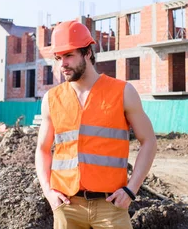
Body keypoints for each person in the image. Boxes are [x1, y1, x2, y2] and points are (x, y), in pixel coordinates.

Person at [35, 20, 157, 229]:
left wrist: (131, 190)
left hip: (111, 207)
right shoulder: (51, 99)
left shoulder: (122, 92)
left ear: (87, 53)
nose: (62, 63)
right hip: (67, 206)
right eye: (58, 57)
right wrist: (48, 192)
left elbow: (149, 142)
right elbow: (42, 149)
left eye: (69, 55)